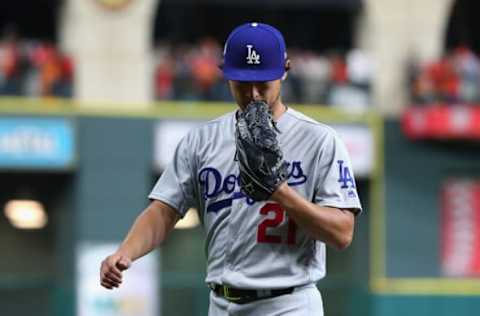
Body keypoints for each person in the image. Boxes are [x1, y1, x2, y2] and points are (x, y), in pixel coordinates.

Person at [100, 22, 362, 316]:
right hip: (222, 304)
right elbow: (163, 211)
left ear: (285, 70)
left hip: (289, 303)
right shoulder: (201, 140)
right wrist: (125, 252)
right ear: (225, 75)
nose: (253, 94)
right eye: (242, 83)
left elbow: (342, 233)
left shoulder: (319, 140)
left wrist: (281, 194)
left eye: (263, 83)